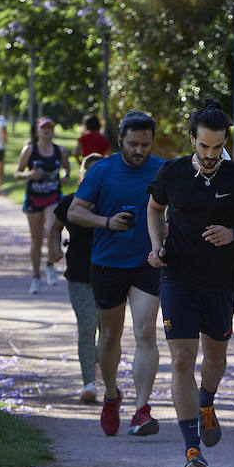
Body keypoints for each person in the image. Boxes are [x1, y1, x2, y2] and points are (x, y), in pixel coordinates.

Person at [146, 101, 234, 467]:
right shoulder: (172, 174)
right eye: (204, 147)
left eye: (218, 147)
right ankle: (191, 449)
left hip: (219, 284)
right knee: (182, 359)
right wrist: (155, 246)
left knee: (214, 360)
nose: (211, 155)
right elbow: (153, 208)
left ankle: (207, 402)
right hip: (178, 278)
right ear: (192, 141)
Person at [65, 111, 165, 438]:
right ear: (120, 140)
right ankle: (111, 394)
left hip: (146, 263)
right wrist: (107, 221)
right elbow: (75, 211)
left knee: (146, 333)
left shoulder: (161, 170)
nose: (139, 151)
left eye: (145, 145)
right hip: (107, 262)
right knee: (109, 336)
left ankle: (142, 409)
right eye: (133, 144)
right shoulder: (103, 171)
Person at [52, 153, 105, 403]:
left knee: (108, 332)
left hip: (110, 276)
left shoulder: (112, 204)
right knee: (87, 327)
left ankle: (107, 379)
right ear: (82, 177)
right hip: (78, 275)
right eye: (90, 174)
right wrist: (54, 247)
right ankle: (90, 383)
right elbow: (55, 227)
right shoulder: (70, 202)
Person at [17, 116, 71, 291]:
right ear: (37, 131)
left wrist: (66, 175)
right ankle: (35, 276)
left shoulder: (59, 150)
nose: (47, 131)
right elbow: (18, 173)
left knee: (51, 228)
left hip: (53, 196)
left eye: (50, 128)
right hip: (34, 197)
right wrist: (30, 175)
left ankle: (49, 265)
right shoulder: (30, 149)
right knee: (36, 238)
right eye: (44, 128)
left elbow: (66, 166)